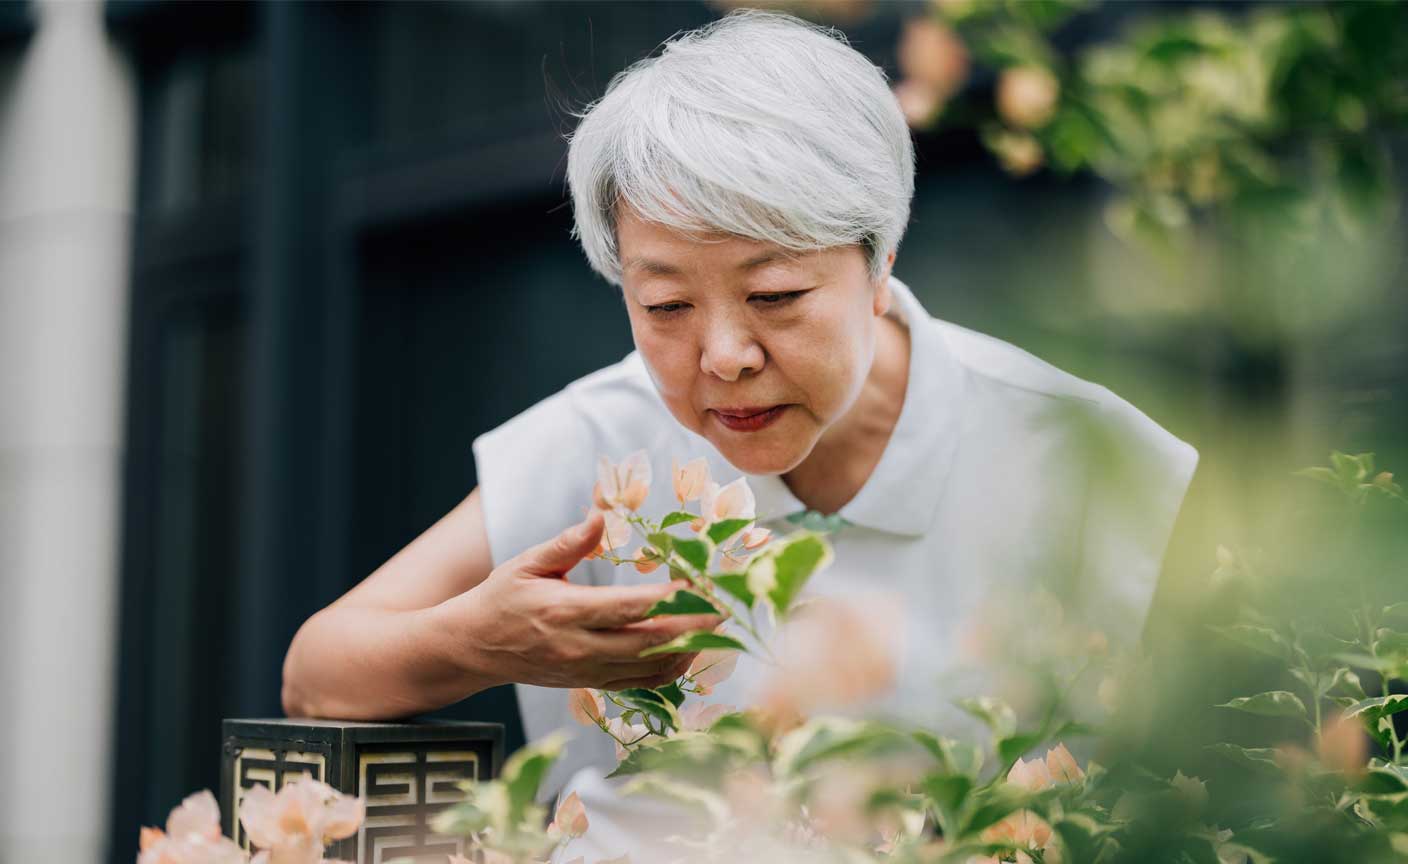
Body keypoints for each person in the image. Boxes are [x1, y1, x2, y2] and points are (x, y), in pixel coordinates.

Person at [281, 9, 1198, 860]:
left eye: (775, 296)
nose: (724, 356)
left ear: (881, 260)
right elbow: (317, 672)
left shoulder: (1083, 458)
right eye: (666, 305)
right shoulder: (603, 435)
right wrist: (480, 643)